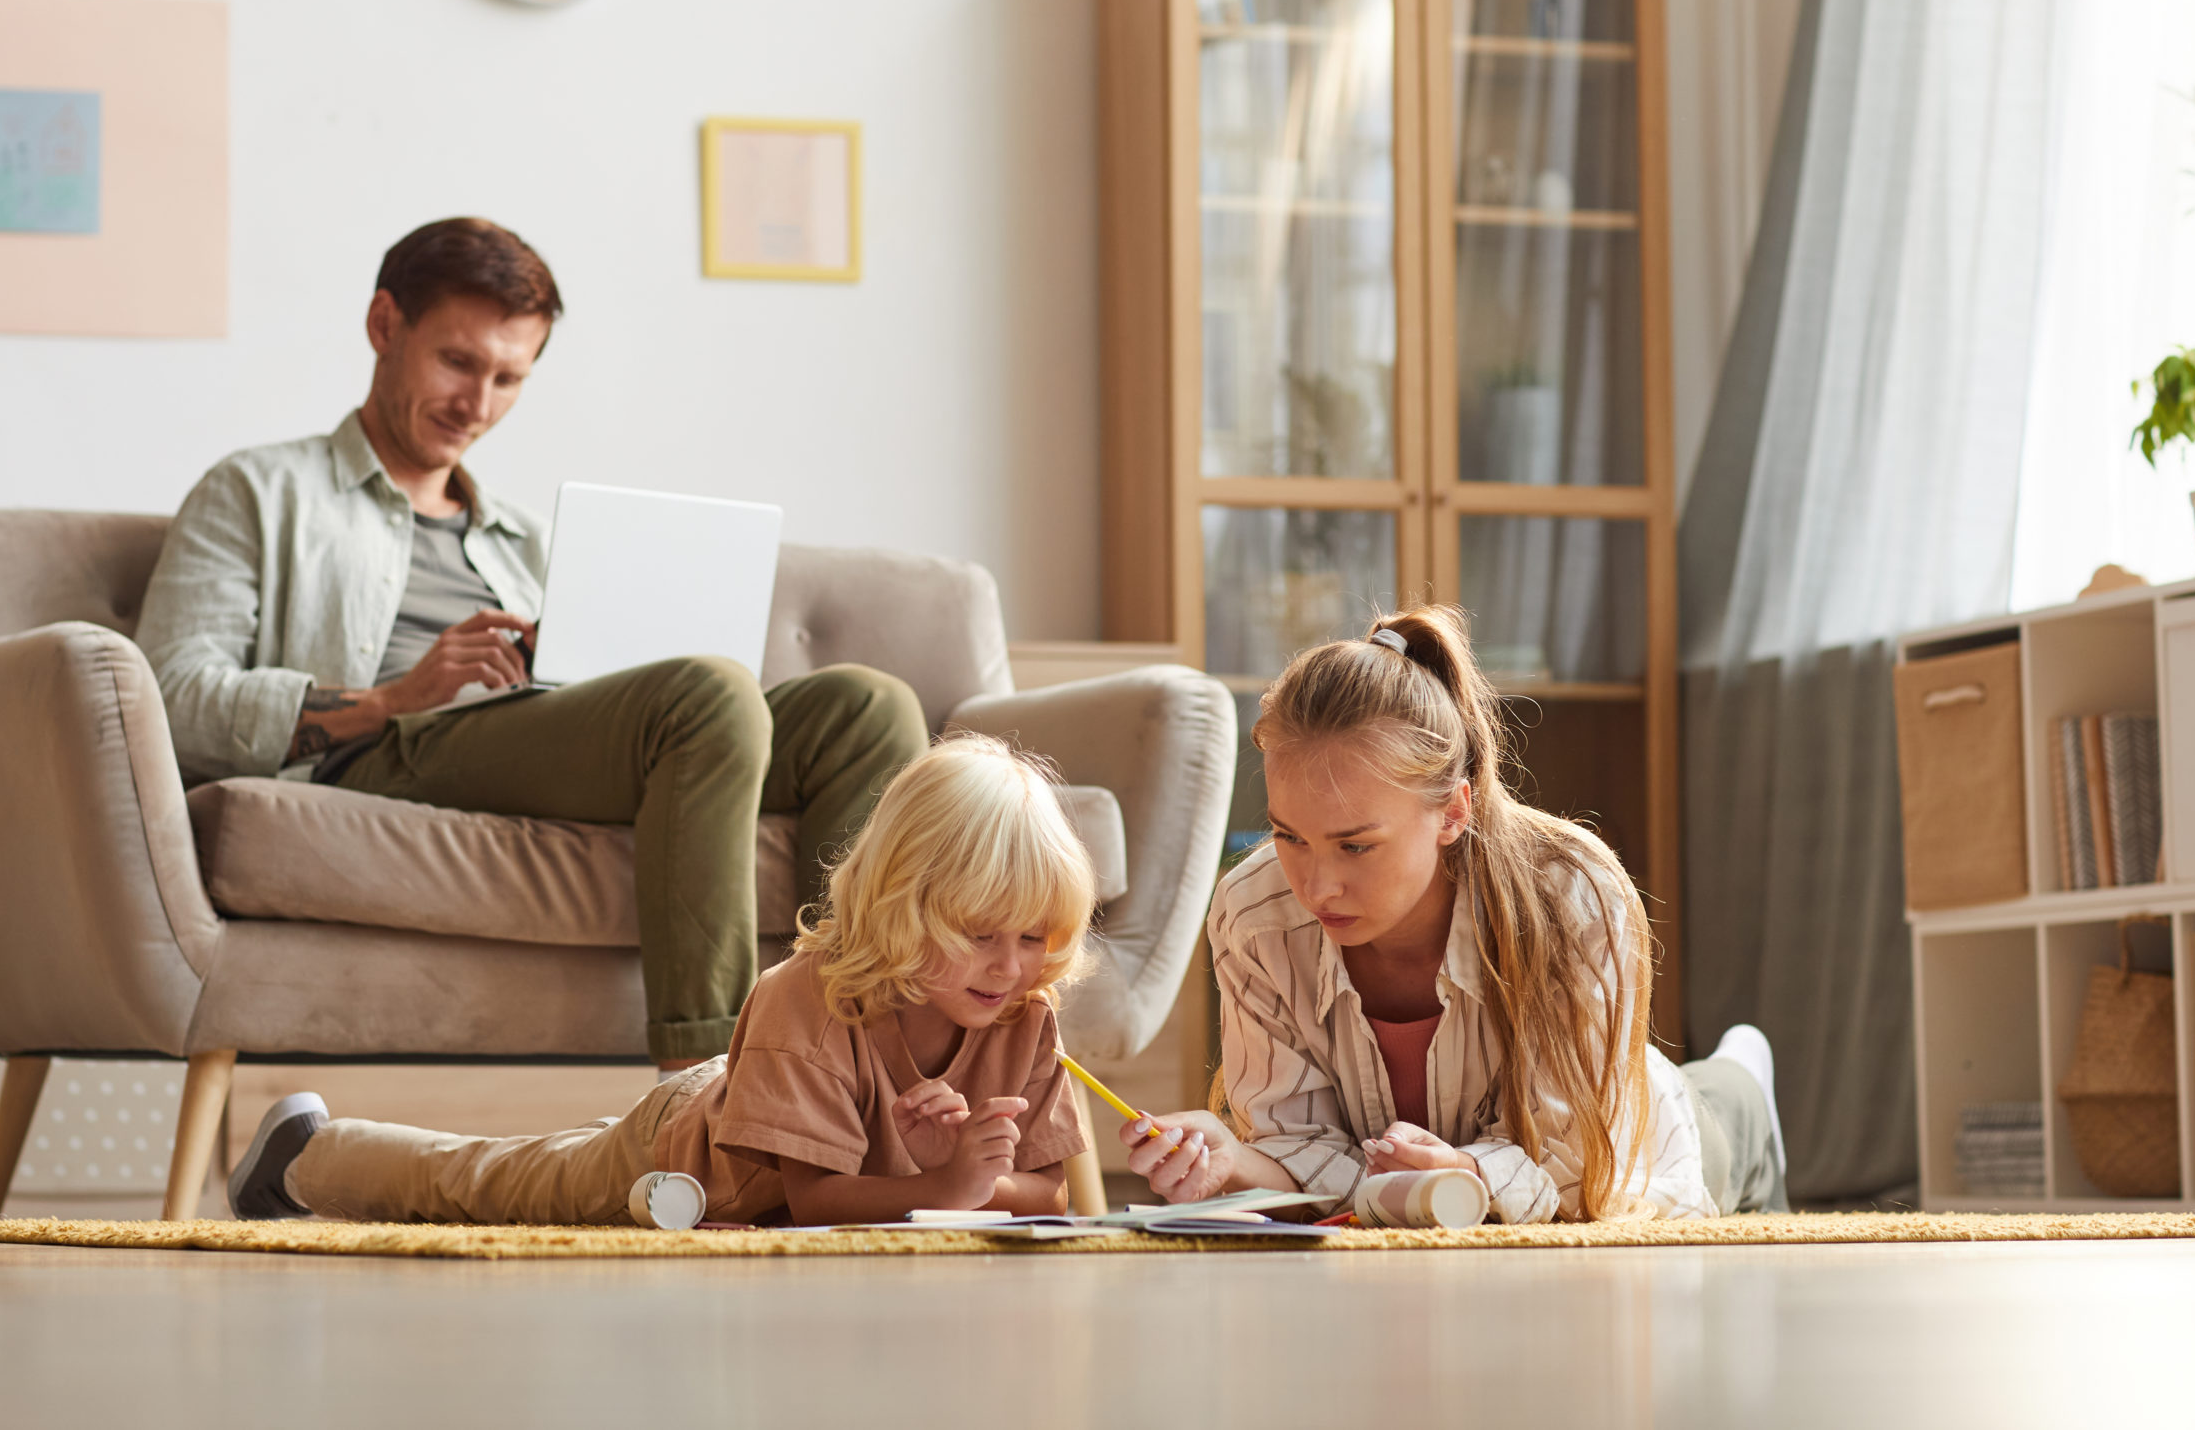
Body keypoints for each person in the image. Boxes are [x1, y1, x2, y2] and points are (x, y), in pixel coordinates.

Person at [134, 217, 928, 1069]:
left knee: (868, 706)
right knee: (709, 695)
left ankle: (861, 1067)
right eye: (458, 362)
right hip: (382, 753)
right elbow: (172, 695)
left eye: (509, 377)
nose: (478, 405)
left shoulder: (519, 537)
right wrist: (391, 698)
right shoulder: (258, 490)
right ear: (383, 326)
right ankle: (722, 1094)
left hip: (524, 746)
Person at [226, 735, 1096, 1226]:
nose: (1011, 965)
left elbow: (1046, 1195)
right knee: (494, 1185)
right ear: (905, 904)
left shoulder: (1023, 1015)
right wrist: (944, 1188)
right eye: (981, 934)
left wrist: (967, 1180)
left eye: (1033, 936)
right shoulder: (811, 997)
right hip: (680, 1148)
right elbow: (814, 1198)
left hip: (743, 1131)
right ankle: (304, 1153)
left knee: (515, 1175)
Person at [1116, 605, 1788, 1223]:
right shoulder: (1253, 910)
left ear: (1453, 812)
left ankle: (1744, 1073)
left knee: (1724, 1116)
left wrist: (1468, 1172)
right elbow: (1299, 1149)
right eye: (1290, 836)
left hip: (1649, 1141)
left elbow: (1583, 1177)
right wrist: (1230, 1159)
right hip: (1464, 1195)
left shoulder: (1571, 893)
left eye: (1356, 845)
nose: (1317, 885)